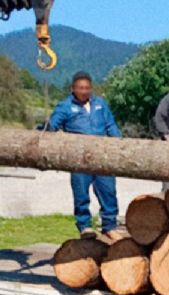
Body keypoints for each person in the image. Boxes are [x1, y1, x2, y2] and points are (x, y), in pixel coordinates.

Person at [48, 71, 123, 240]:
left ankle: (109, 226)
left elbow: (111, 125)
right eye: (81, 88)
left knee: (108, 191)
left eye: (87, 88)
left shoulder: (100, 104)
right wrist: (44, 130)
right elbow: (53, 124)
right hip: (79, 158)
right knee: (81, 193)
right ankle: (85, 226)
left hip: (103, 156)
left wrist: (119, 143)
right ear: (73, 88)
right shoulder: (65, 106)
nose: (84, 91)